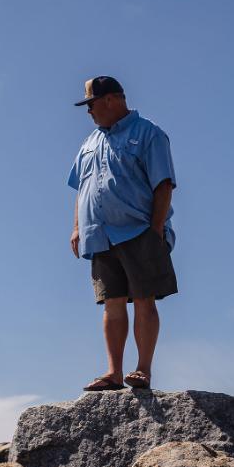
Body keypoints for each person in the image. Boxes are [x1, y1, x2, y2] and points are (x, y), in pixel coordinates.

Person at [67, 76, 178, 391]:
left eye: (91, 105)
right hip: (100, 236)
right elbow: (81, 188)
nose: (88, 112)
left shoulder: (149, 134)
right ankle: (114, 373)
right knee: (111, 302)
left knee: (144, 298)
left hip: (139, 229)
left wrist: (155, 229)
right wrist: (77, 227)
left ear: (111, 100)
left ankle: (142, 369)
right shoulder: (89, 143)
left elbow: (164, 184)